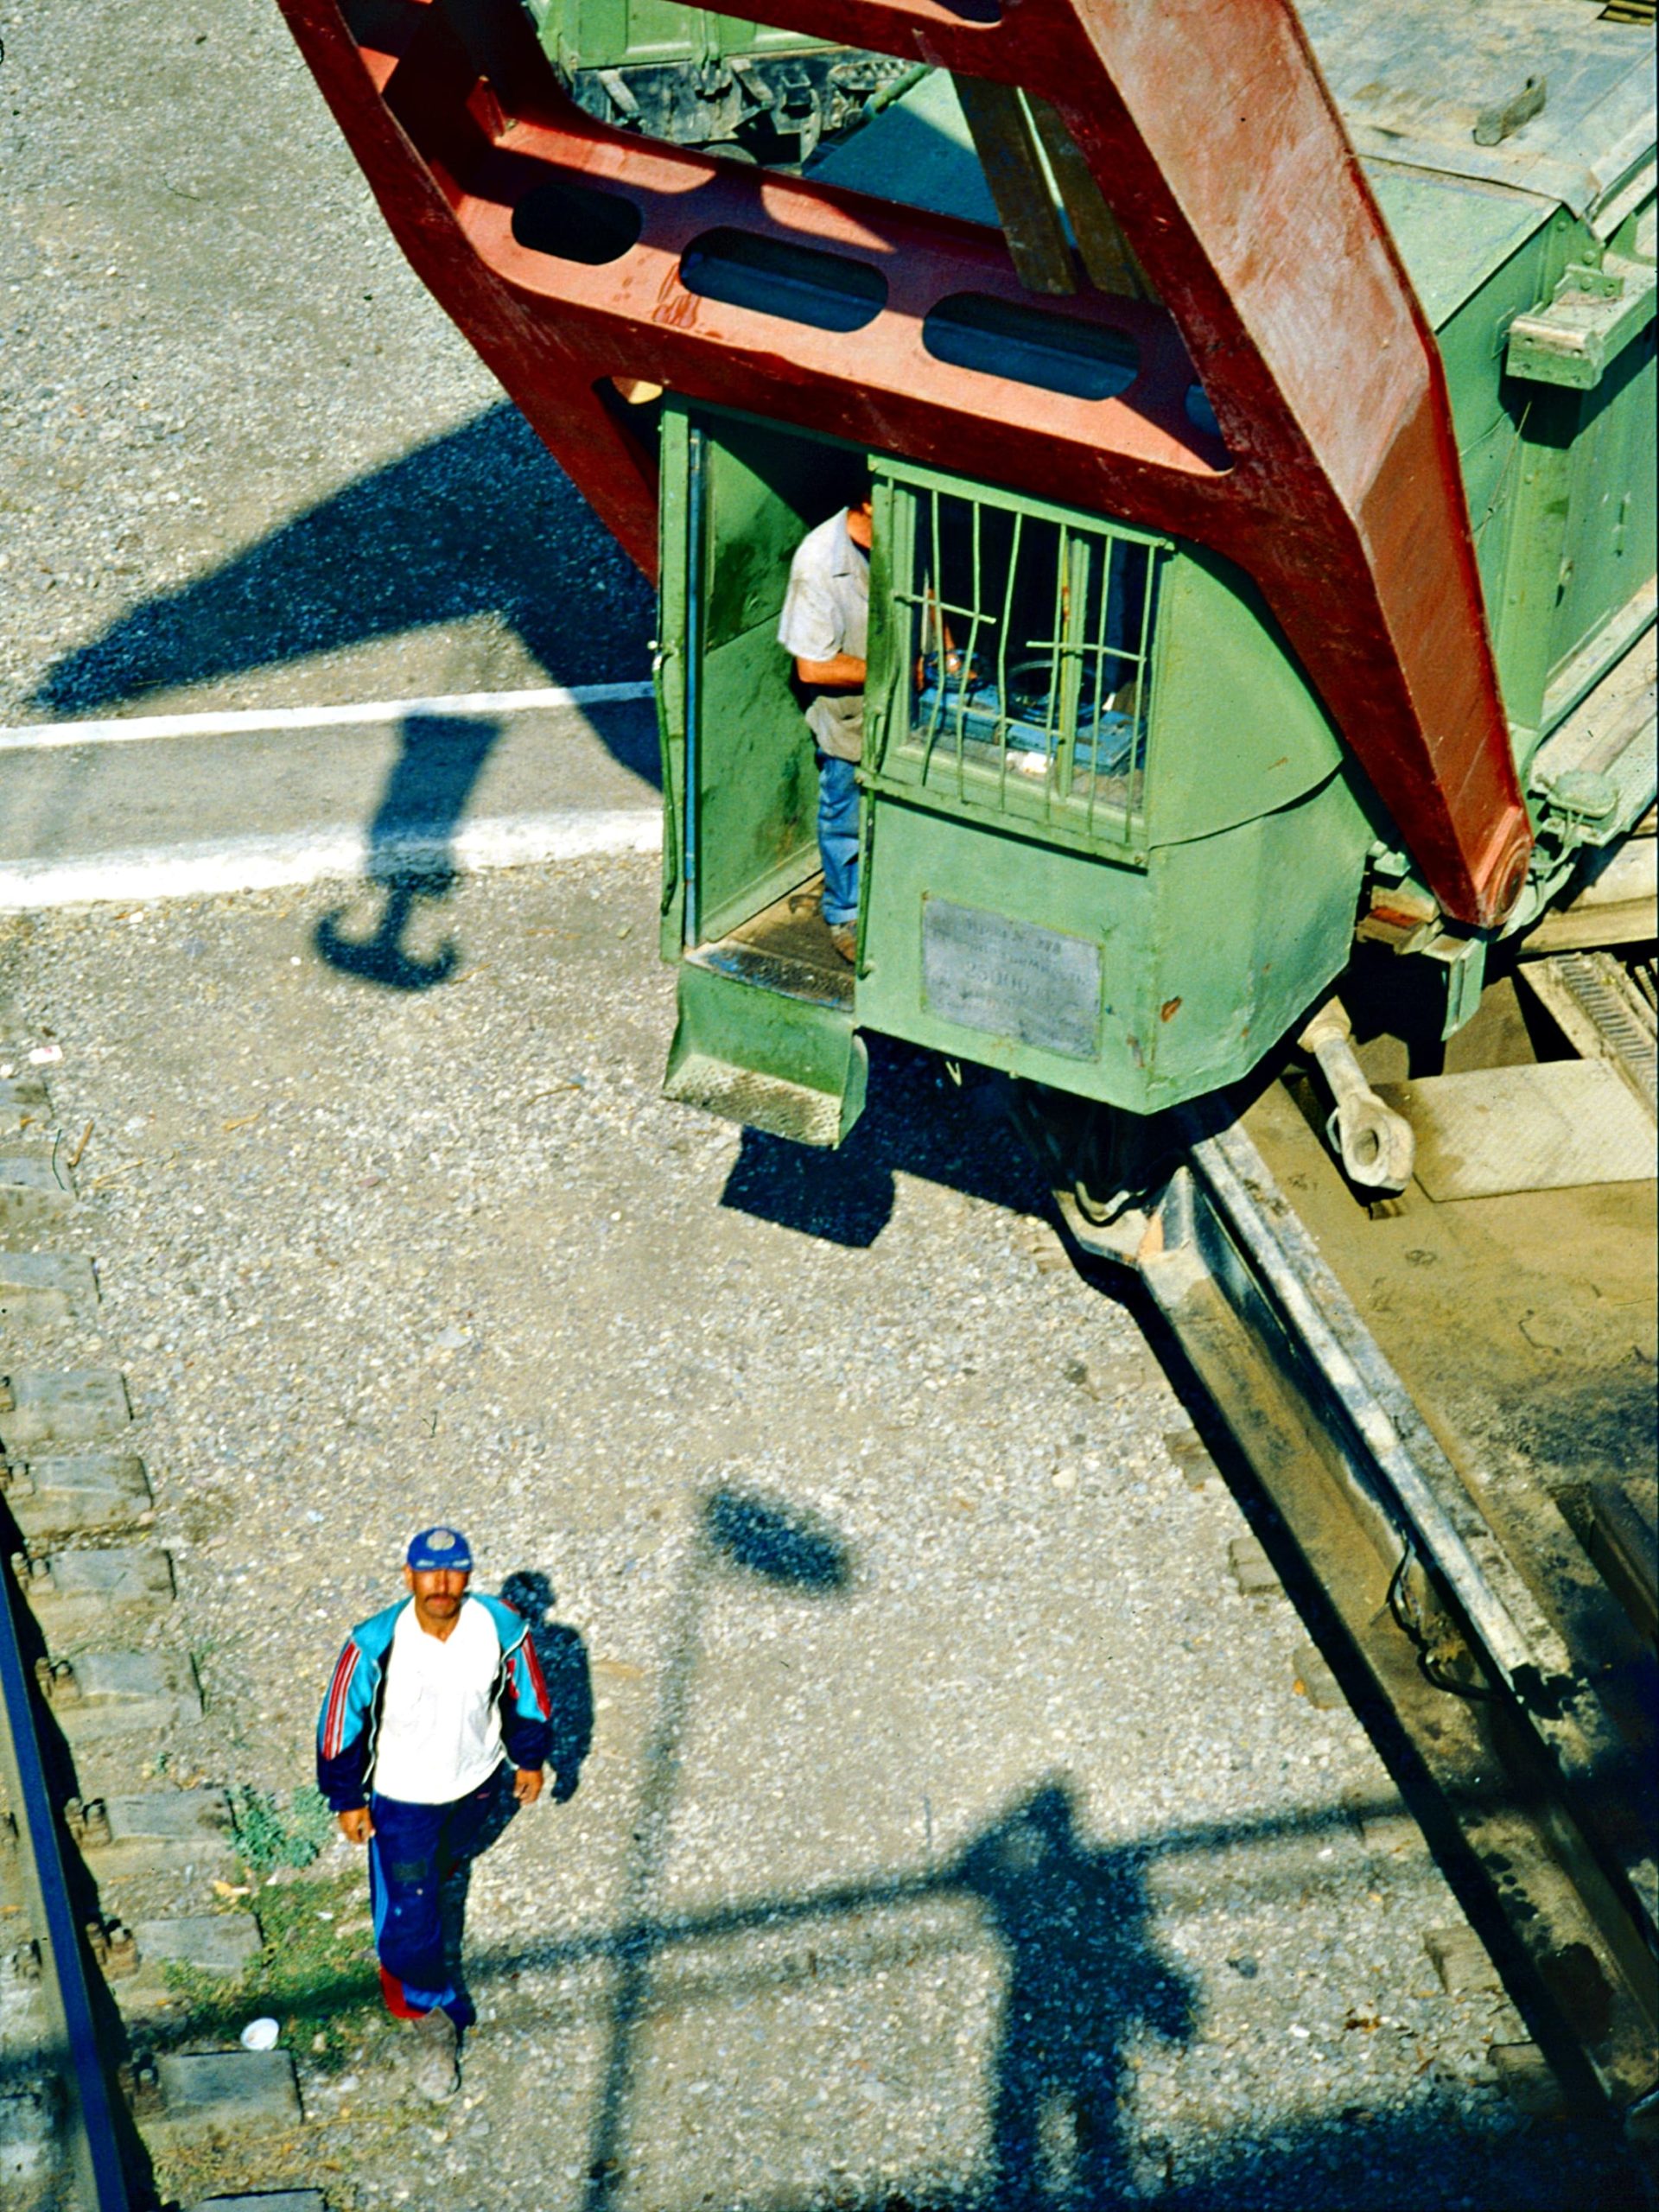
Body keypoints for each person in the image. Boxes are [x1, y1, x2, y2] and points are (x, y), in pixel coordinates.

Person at [315, 1525, 555, 2101]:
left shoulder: (499, 1627)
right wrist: (346, 1797)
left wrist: (531, 1761)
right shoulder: (375, 1642)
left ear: (469, 1576)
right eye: (428, 1572)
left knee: (449, 1864)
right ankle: (429, 2012)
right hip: (402, 1801)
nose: (441, 1584)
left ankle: (428, 1898)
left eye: (453, 1572)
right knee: (408, 1917)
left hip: (475, 1785)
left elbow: (528, 1698)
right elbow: (338, 1722)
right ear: (409, 1576)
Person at [778, 492, 873, 963]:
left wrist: (949, 654)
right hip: (848, 717)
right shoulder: (818, 561)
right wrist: (891, 669)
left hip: (905, 710)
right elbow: (812, 668)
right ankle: (844, 913)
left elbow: (928, 593)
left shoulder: (903, 532)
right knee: (845, 816)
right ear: (867, 502)